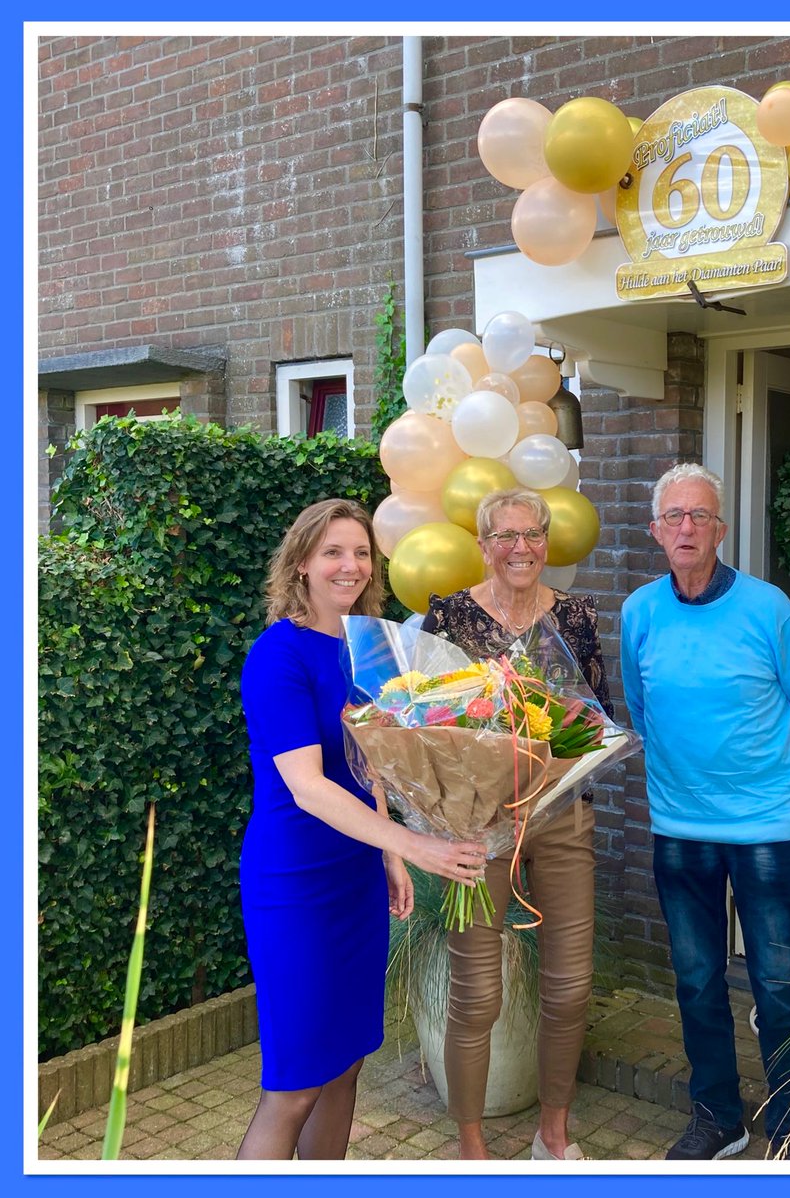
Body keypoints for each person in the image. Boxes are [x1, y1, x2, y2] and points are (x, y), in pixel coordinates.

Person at [238, 498, 486, 1160]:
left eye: (360, 552)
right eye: (332, 552)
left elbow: (367, 764)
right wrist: (414, 844)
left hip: (357, 877)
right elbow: (308, 785)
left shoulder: (367, 648)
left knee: (346, 1062)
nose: (350, 565)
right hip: (295, 884)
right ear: (300, 564)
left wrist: (388, 858)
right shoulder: (278, 656)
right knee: (294, 1085)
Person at [619, 463, 790, 1161]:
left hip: (768, 831)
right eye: (674, 516)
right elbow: (641, 709)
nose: (687, 527)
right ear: (655, 530)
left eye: (700, 516)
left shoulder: (769, 610)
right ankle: (719, 1117)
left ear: (721, 530)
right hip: (679, 829)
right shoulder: (638, 612)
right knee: (696, 979)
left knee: (777, 985)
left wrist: (787, 796)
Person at [422, 487, 613, 1161]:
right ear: (483, 545)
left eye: (532, 534)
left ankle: (552, 1134)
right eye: (504, 535)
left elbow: (596, 718)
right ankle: (472, 1147)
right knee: (476, 994)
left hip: (561, 816)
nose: (520, 548)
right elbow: (425, 721)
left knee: (571, 985)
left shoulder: (576, 616)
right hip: (479, 826)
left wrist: (561, 757)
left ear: (546, 542)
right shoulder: (449, 617)